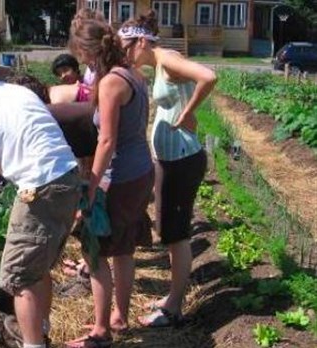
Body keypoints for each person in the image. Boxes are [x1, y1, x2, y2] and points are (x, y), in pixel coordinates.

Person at [0, 47, 81, 348]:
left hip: (40, 186)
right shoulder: (21, 94)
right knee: (37, 269)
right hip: (68, 178)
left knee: (18, 277)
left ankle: (34, 343)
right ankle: (38, 330)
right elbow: (26, 143)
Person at [118, 10, 216, 328]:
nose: (125, 55)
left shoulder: (168, 59)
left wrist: (188, 113)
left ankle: (174, 307)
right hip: (171, 159)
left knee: (177, 233)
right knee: (170, 231)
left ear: (143, 41)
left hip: (183, 159)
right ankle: (172, 296)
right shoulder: (159, 64)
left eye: (127, 48)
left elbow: (208, 76)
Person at [67, 12, 155, 347]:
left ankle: (101, 332)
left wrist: (91, 185)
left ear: (89, 52)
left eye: (81, 53)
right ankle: (119, 316)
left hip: (119, 177)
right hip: (140, 171)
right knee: (124, 249)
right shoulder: (134, 74)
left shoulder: (110, 83)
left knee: (97, 252)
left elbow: (106, 141)